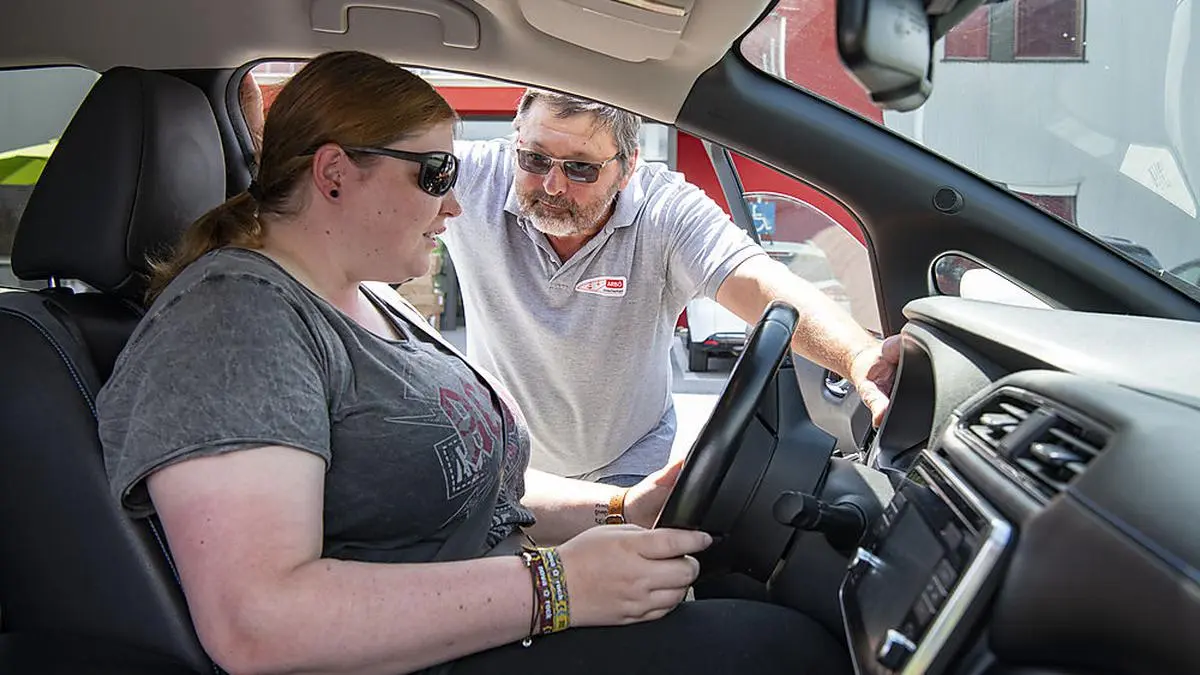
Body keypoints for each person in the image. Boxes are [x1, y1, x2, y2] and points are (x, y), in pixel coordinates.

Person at [97, 51, 851, 675]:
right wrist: (558, 586)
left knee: (766, 605)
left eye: (453, 175)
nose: (455, 205)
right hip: (453, 641)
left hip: (500, 603)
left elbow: (467, 486)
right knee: (788, 651)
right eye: (434, 175)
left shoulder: (361, 296)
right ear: (332, 174)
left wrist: (622, 508)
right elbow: (256, 621)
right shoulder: (235, 322)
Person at [443, 90, 900, 487]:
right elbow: (384, 174)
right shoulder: (473, 177)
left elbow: (760, 283)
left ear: (628, 168)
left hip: (624, 463)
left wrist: (859, 357)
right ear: (515, 143)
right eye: (535, 159)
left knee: (616, 580)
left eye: (581, 169)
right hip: (503, 455)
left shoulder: (665, 212)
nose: (552, 185)